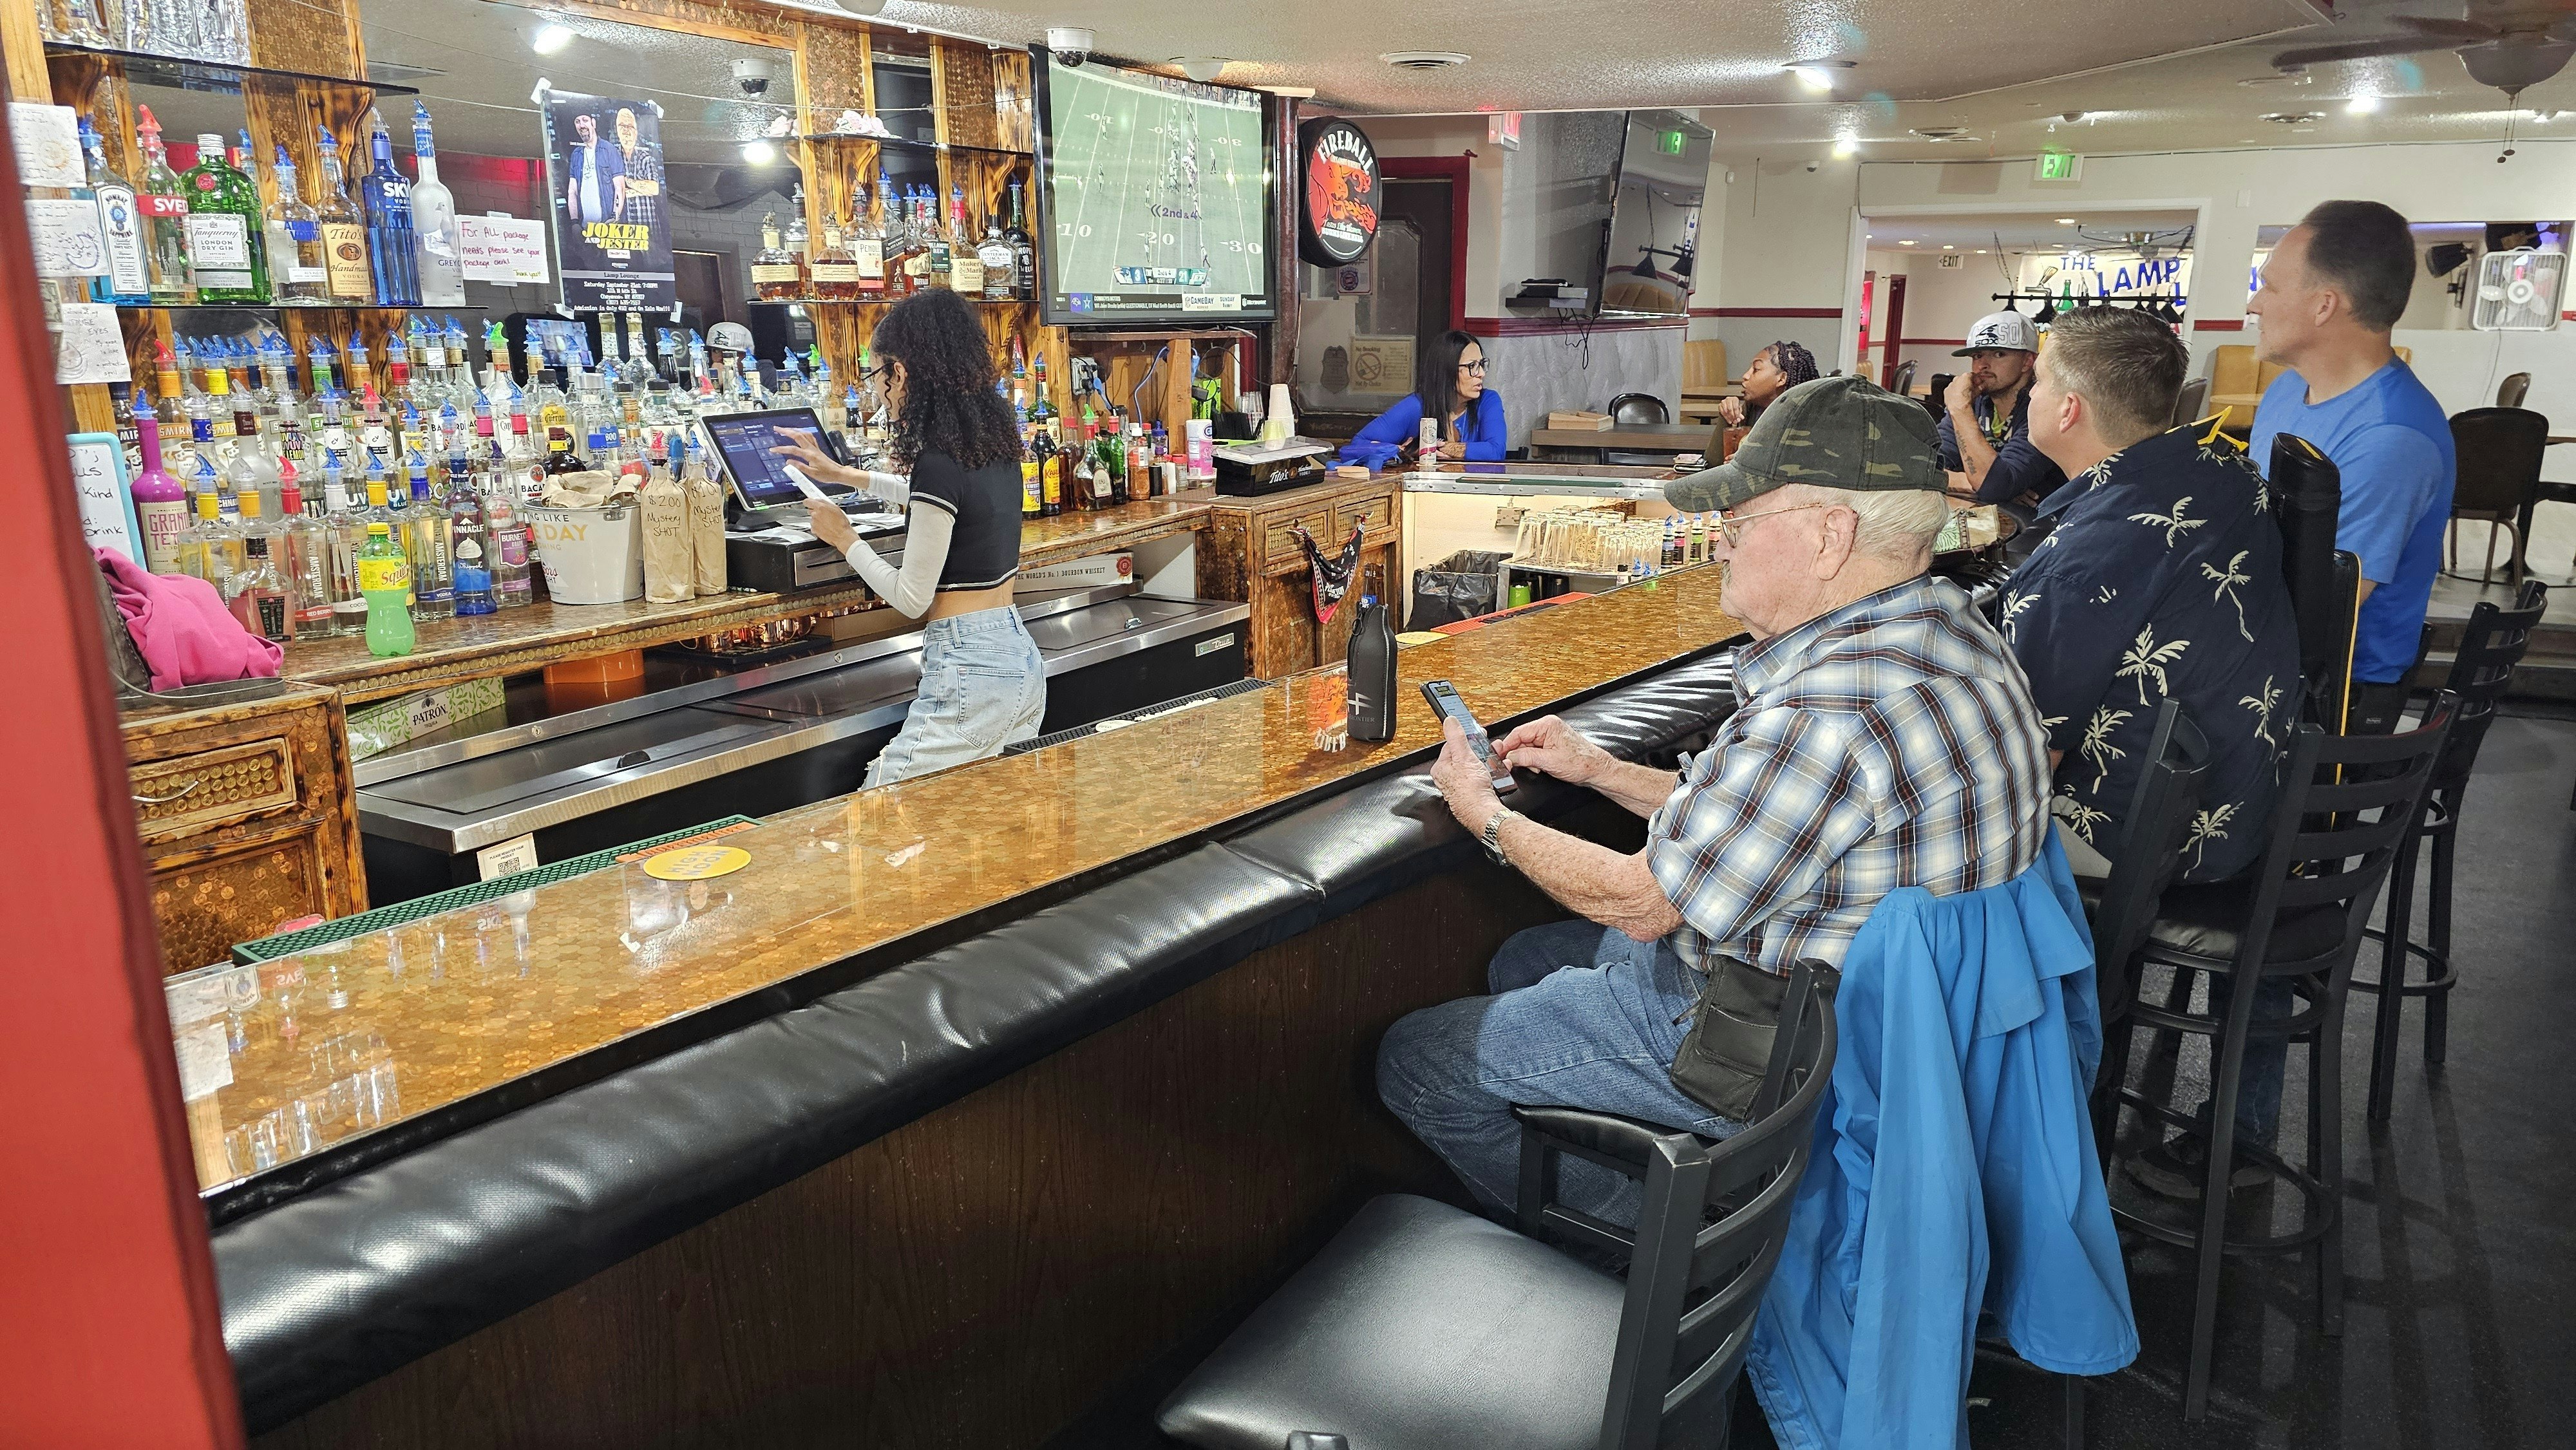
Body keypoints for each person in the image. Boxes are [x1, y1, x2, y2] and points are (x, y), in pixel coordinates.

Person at [1378, 375, 2052, 1222]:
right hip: (1898, 1037)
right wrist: (1600, 769)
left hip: (1775, 1052)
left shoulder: (1826, 707)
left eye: (1737, 525)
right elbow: (1767, 824)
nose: (1720, 547)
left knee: (1414, 1060)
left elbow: (1642, 904)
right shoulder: (1953, 631)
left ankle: (1655, 1254)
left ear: (1829, 537)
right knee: (1521, 963)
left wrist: (1483, 811)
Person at [2005, 305, 2300, 885]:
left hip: (2143, 839)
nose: (2029, 397)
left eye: (2037, 382)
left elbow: (2027, 756)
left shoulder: (2082, 563)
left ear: (2069, 410)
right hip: (2247, 803)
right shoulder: (2225, 471)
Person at [773, 288, 1043, 787]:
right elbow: (943, 500)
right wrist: (847, 475)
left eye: (877, 376)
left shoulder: (940, 460)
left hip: (970, 666)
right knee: (982, 823)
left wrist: (845, 538)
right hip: (1016, 656)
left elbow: (912, 598)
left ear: (901, 372)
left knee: (883, 811)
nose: (878, 393)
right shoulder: (991, 441)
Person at [2248, 200, 2455, 735]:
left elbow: (2316, 611)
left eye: (2269, 286)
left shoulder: (2391, 438)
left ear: (2324, 305)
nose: (2254, 303)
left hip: (2334, 695)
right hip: (2270, 653)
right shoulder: (2290, 388)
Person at [1936, 310, 2067, 509]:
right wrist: (1984, 485)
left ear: (2027, 362)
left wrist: (1960, 409)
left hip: (2043, 527)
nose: (1983, 365)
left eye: (1999, 354)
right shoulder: (1976, 403)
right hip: (1998, 516)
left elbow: (1995, 487)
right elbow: (1920, 468)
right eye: (1977, 356)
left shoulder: (2043, 409)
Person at [1336, 330, 1506, 466]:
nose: (1482, 374)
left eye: (1482, 365)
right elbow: (1358, 444)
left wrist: (1444, 448)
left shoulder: (1488, 401)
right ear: (1447, 370)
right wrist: (1402, 451)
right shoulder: (1417, 405)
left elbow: (1496, 451)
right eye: (1472, 366)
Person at [1704, 339, 1817, 458]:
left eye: (1756, 369)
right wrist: (1727, 416)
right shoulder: (1752, 408)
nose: (1745, 376)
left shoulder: (1801, 420)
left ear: (1781, 379)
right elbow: (1713, 461)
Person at [562, 110, 626, 226]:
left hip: (607, 224)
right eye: (577, 122)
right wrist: (575, 223)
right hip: (584, 227)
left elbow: (620, 187)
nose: (581, 125)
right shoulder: (576, 155)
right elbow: (572, 191)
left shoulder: (608, 150)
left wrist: (615, 217)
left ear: (593, 123)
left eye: (585, 120)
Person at [612, 108, 661, 231]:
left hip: (647, 229)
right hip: (618, 229)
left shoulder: (646, 158)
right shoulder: (610, 157)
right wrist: (642, 189)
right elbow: (608, 189)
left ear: (636, 132)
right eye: (622, 126)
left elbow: (655, 189)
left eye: (631, 127)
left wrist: (625, 182)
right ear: (617, 131)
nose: (627, 131)